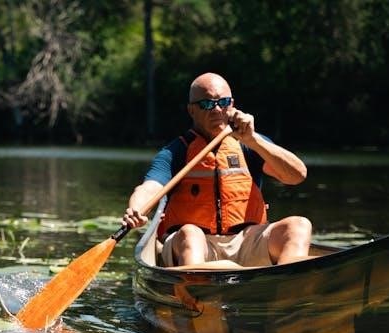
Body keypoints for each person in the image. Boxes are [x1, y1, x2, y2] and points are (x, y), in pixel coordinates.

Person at [122, 72, 311, 267]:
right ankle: (198, 282)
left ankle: (288, 280)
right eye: (207, 104)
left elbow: (296, 176)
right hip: (196, 245)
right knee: (190, 234)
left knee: (299, 226)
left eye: (224, 102)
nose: (217, 110)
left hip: (245, 240)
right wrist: (136, 209)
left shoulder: (250, 143)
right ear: (191, 111)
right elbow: (149, 188)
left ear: (232, 104)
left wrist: (253, 140)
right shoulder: (176, 151)